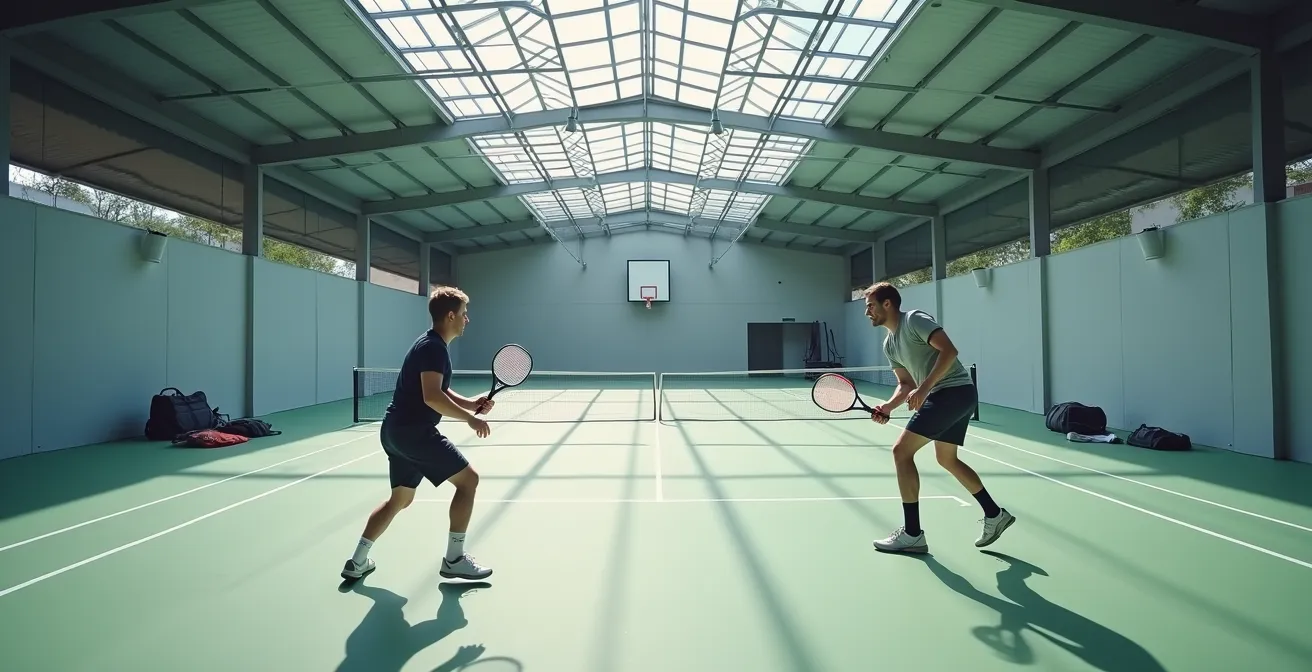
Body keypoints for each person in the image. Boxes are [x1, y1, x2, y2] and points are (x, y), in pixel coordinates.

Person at [341, 285, 496, 582]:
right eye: (464, 314)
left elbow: (438, 388)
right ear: (450, 315)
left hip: (394, 432)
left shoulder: (429, 345)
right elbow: (432, 398)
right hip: (413, 432)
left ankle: (357, 561)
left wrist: (470, 403)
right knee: (469, 481)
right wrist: (469, 419)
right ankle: (454, 558)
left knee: (399, 500)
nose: (467, 319)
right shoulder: (434, 348)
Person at [862, 281, 1015, 553]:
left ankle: (912, 534)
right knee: (946, 458)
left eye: (870, 305)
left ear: (887, 304)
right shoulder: (889, 344)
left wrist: (925, 387)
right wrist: (888, 406)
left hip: (953, 392)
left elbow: (950, 351)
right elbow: (906, 384)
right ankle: (995, 514)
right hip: (951, 396)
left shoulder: (914, 320)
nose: (867, 312)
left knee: (900, 452)